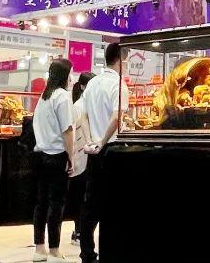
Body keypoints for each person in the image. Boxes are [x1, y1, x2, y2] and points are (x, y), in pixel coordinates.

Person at [78, 43, 128, 263]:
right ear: (121, 59)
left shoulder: (93, 82)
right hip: (111, 149)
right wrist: (102, 141)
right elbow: (117, 118)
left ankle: (87, 253)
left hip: (94, 150)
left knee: (91, 203)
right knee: (112, 202)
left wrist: (90, 141)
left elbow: (83, 116)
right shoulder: (118, 84)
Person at [31, 58, 74, 262]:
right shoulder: (62, 97)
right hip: (57, 155)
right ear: (65, 75)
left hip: (40, 155)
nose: (72, 78)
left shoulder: (44, 96)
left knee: (41, 203)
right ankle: (55, 250)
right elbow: (67, 130)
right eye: (71, 73)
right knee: (56, 204)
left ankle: (39, 248)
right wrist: (72, 157)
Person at [68, 72, 96, 245]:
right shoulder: (78, 106)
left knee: (85, 196)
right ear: (83, 86)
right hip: (79, 155)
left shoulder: (89, 104)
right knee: (80, 196)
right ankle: (79, 231)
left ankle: (81, 232)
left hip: (89, 154)